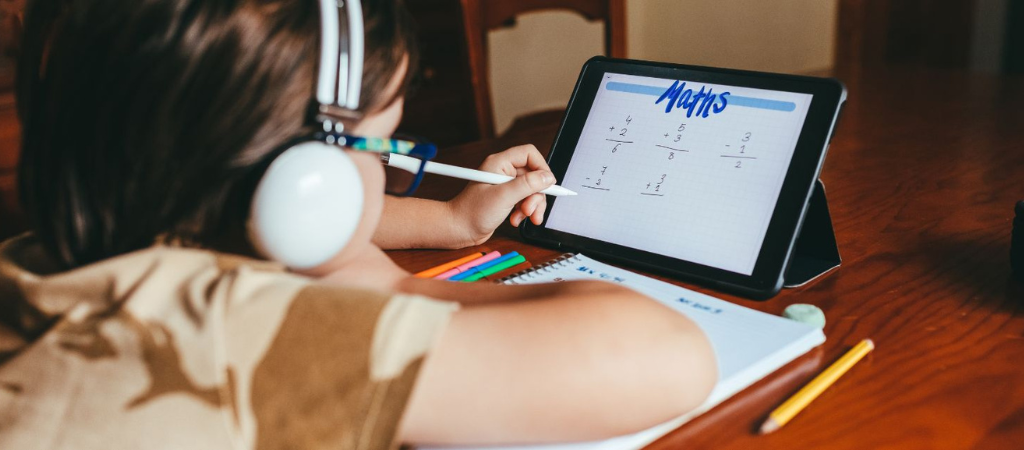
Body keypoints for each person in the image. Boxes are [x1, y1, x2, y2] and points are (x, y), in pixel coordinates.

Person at [0, 0, 716, 448]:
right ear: (302, 184)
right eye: (387, 143)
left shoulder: (43, 258)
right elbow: (668, 354)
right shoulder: (236, 335)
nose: (384, 171)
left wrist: (450, 220)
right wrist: (385, 286)